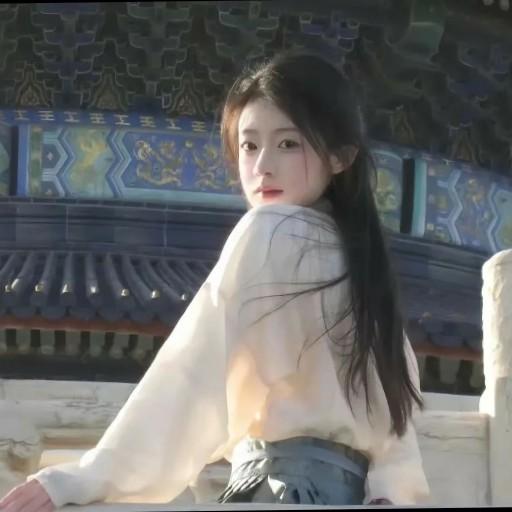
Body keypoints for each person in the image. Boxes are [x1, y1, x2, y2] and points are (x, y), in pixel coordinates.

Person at [0, 50, 430, 511]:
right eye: (249, 146)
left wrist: (84, 477)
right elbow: (397, 437)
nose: (262, 166)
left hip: (278, 492)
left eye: (288, 144)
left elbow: (191, 371)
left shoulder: (268, 230)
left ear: (340, 156)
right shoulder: (367, 272)